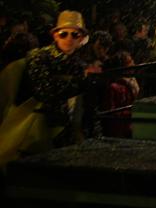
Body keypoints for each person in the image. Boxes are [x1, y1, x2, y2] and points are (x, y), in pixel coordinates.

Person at [13, 11, 100, 149]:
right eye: (63, 34)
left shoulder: (79, 65)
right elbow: (45, 91)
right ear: (55, 36)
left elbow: (89, 107)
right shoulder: (39, 57)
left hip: (66, 138)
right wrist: (82, 81)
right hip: (34, 134)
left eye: (75, 34)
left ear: (81, 39)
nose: (69, 38)